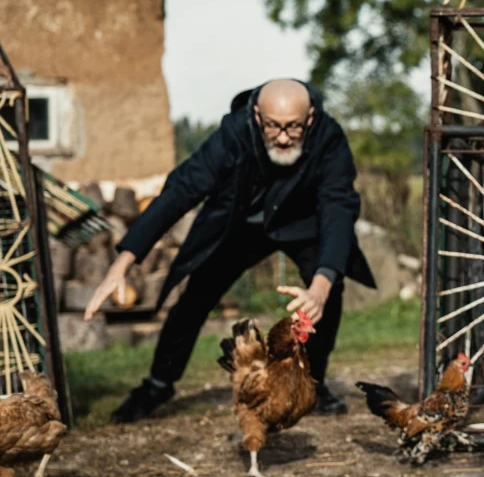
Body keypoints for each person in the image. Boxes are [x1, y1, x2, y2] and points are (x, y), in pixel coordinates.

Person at [84, 78, 377, 423]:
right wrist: (122, 263)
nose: (283, 137)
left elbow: (338, 208)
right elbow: (181, 190)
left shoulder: (330, 138)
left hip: (304, 225)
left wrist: (321, 285)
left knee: (327, 291)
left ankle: (312, 381)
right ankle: (158, 383)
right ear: (256, 116)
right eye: (273, 126)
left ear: (310, 118)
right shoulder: (233, 133)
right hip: (240, 226)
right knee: (195, 296)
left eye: (293, 127)